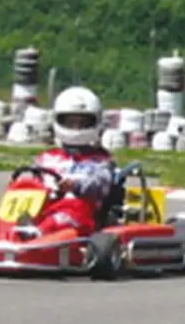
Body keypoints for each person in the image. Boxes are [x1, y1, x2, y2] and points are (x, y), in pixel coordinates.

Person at [8, 85, 116, 239]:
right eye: (70, 122)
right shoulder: (46, 158)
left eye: (82, 123)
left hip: (79, 214)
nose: (76, 127)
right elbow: (33, 180)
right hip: (44, 207)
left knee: (70, 212)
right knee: (16, 210)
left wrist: (76, 186)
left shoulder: (101, 162)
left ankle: (36, 235)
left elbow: (101, 185)